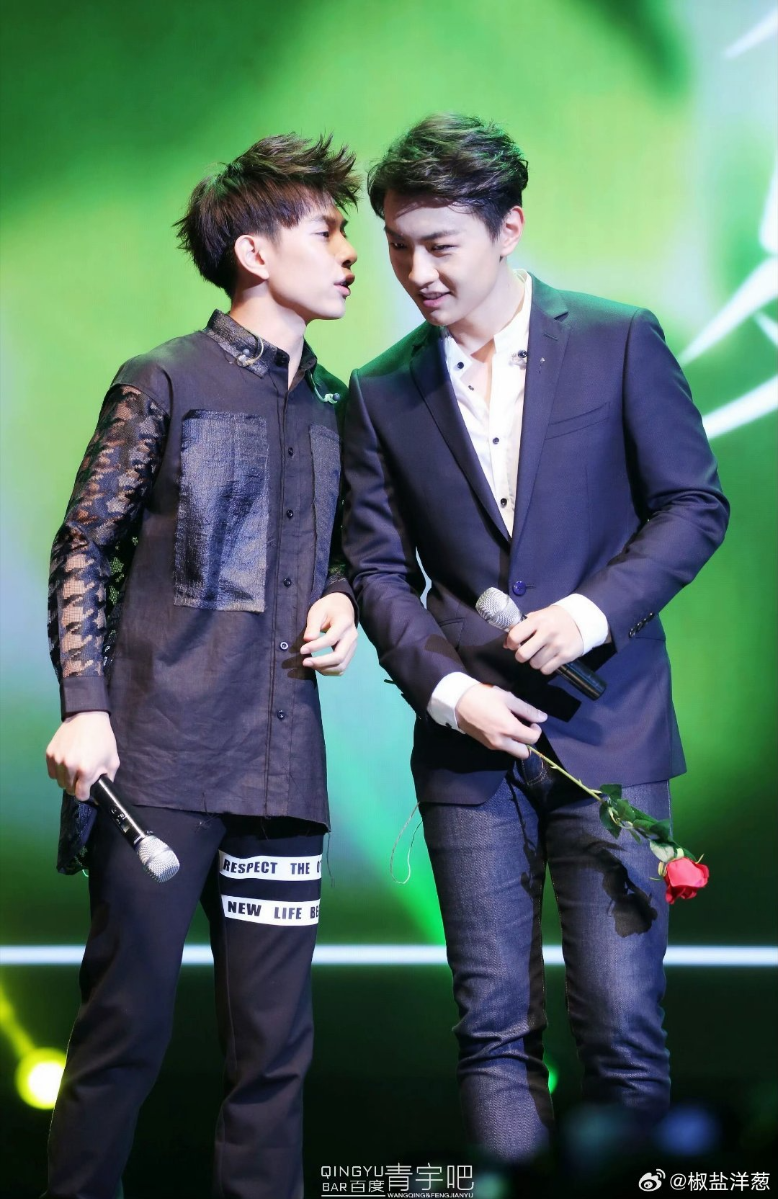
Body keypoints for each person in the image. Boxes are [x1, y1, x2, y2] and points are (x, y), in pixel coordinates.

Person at [341, 113, 729, 1164]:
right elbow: (376, 570)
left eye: (440, 244)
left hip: (612, 730)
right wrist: (449, 692)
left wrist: (591, 611)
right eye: (398, 245)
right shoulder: (379, 390)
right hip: (467, 741)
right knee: (491, 1029)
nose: (416, 271)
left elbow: (693, 504)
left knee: (621, 1025)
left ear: (508, 227)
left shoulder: (617, 339)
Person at [44, 132, 359, 1199]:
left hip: (283, 772)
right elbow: (85, 544)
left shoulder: (339, 404)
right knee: (122, 1033)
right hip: (162, 763)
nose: (349, 252)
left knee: (274, 1059)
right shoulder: (164, 377)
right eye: (327, 229)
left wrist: (342, 596)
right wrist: (85, 703)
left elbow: (355, 553)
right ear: (257, 253)